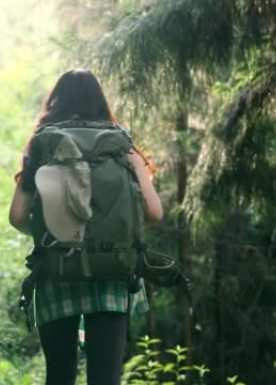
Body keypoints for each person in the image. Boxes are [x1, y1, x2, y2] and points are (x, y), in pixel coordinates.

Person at [8, 69, 163, 385]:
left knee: (60, 375)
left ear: (55, 102)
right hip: (112, 272)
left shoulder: (44, 145)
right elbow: (154, 212)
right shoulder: (121, 147)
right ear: (100, 102)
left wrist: (53, 231)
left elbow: (17, 216)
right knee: (105, 378)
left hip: (56, 270)